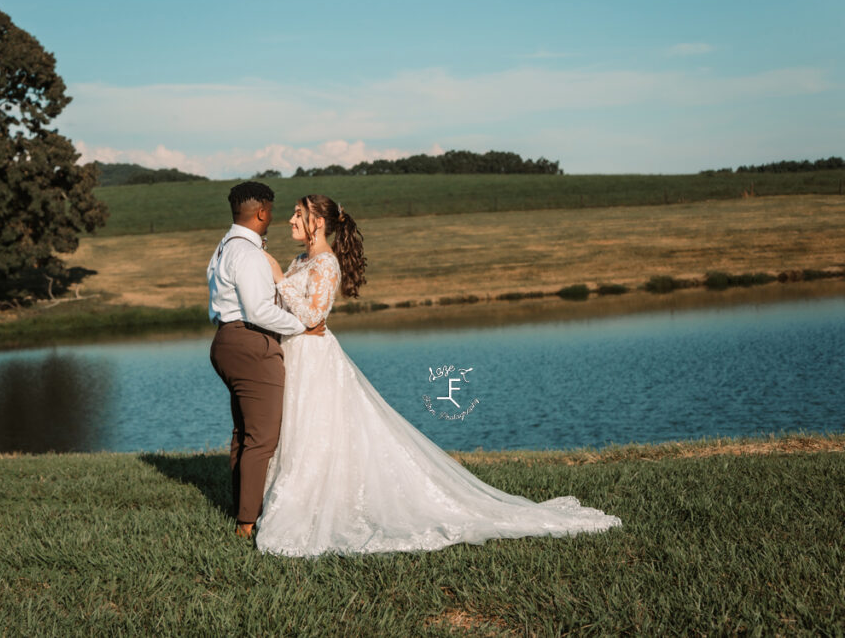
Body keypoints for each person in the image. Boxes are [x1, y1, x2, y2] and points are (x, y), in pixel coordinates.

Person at [254, 194, 622, 557]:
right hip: (295, 353)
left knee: (320, 430)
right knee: (300, 430)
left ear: (318, 223)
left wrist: (278, 279)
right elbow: (291, 309)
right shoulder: (300, 259)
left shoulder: (326, 264)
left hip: (316, 358)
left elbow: (315, 317)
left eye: (298, 214)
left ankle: (318, 506)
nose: (290, 220)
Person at [207, 182, 326, 540]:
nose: (275, 217)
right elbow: (259, 310)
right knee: (262, 439)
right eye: (272, 211)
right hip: (250, 344)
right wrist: (301, 326)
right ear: (261, 212)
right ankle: (247, 523)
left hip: (226, 341)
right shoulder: (247, 254)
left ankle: (242, 508)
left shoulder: (224, 247)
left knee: (244, 433)